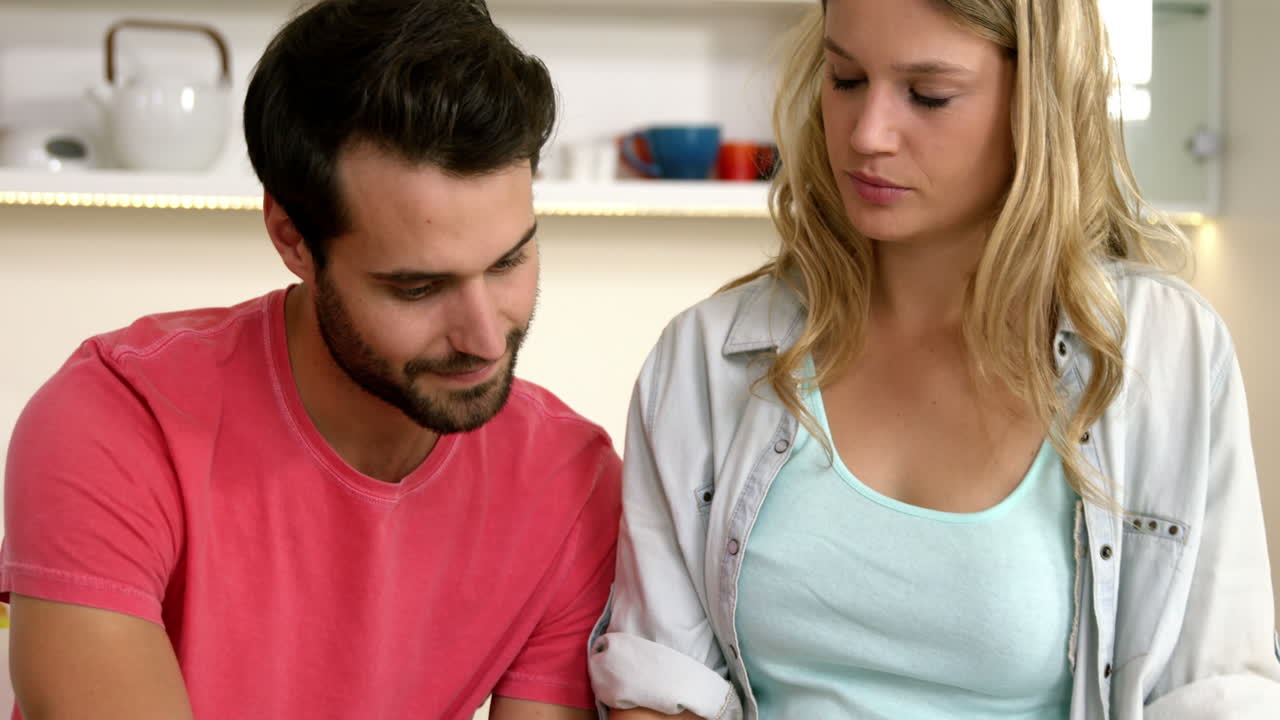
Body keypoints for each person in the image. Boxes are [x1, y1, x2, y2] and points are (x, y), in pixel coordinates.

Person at [588, 0, 1280, 718]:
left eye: (928, 95)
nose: (867, 134)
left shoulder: (1164, 353)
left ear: (1037, 104)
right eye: (845, 79)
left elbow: (1213, 696)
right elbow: (658, 690)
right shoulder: (708, 358)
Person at [1, 1, 620, 718]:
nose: (484, 338)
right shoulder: (115, 422)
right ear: (292, 239)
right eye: (417, 288)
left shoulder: (571, 485)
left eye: (508, 262)